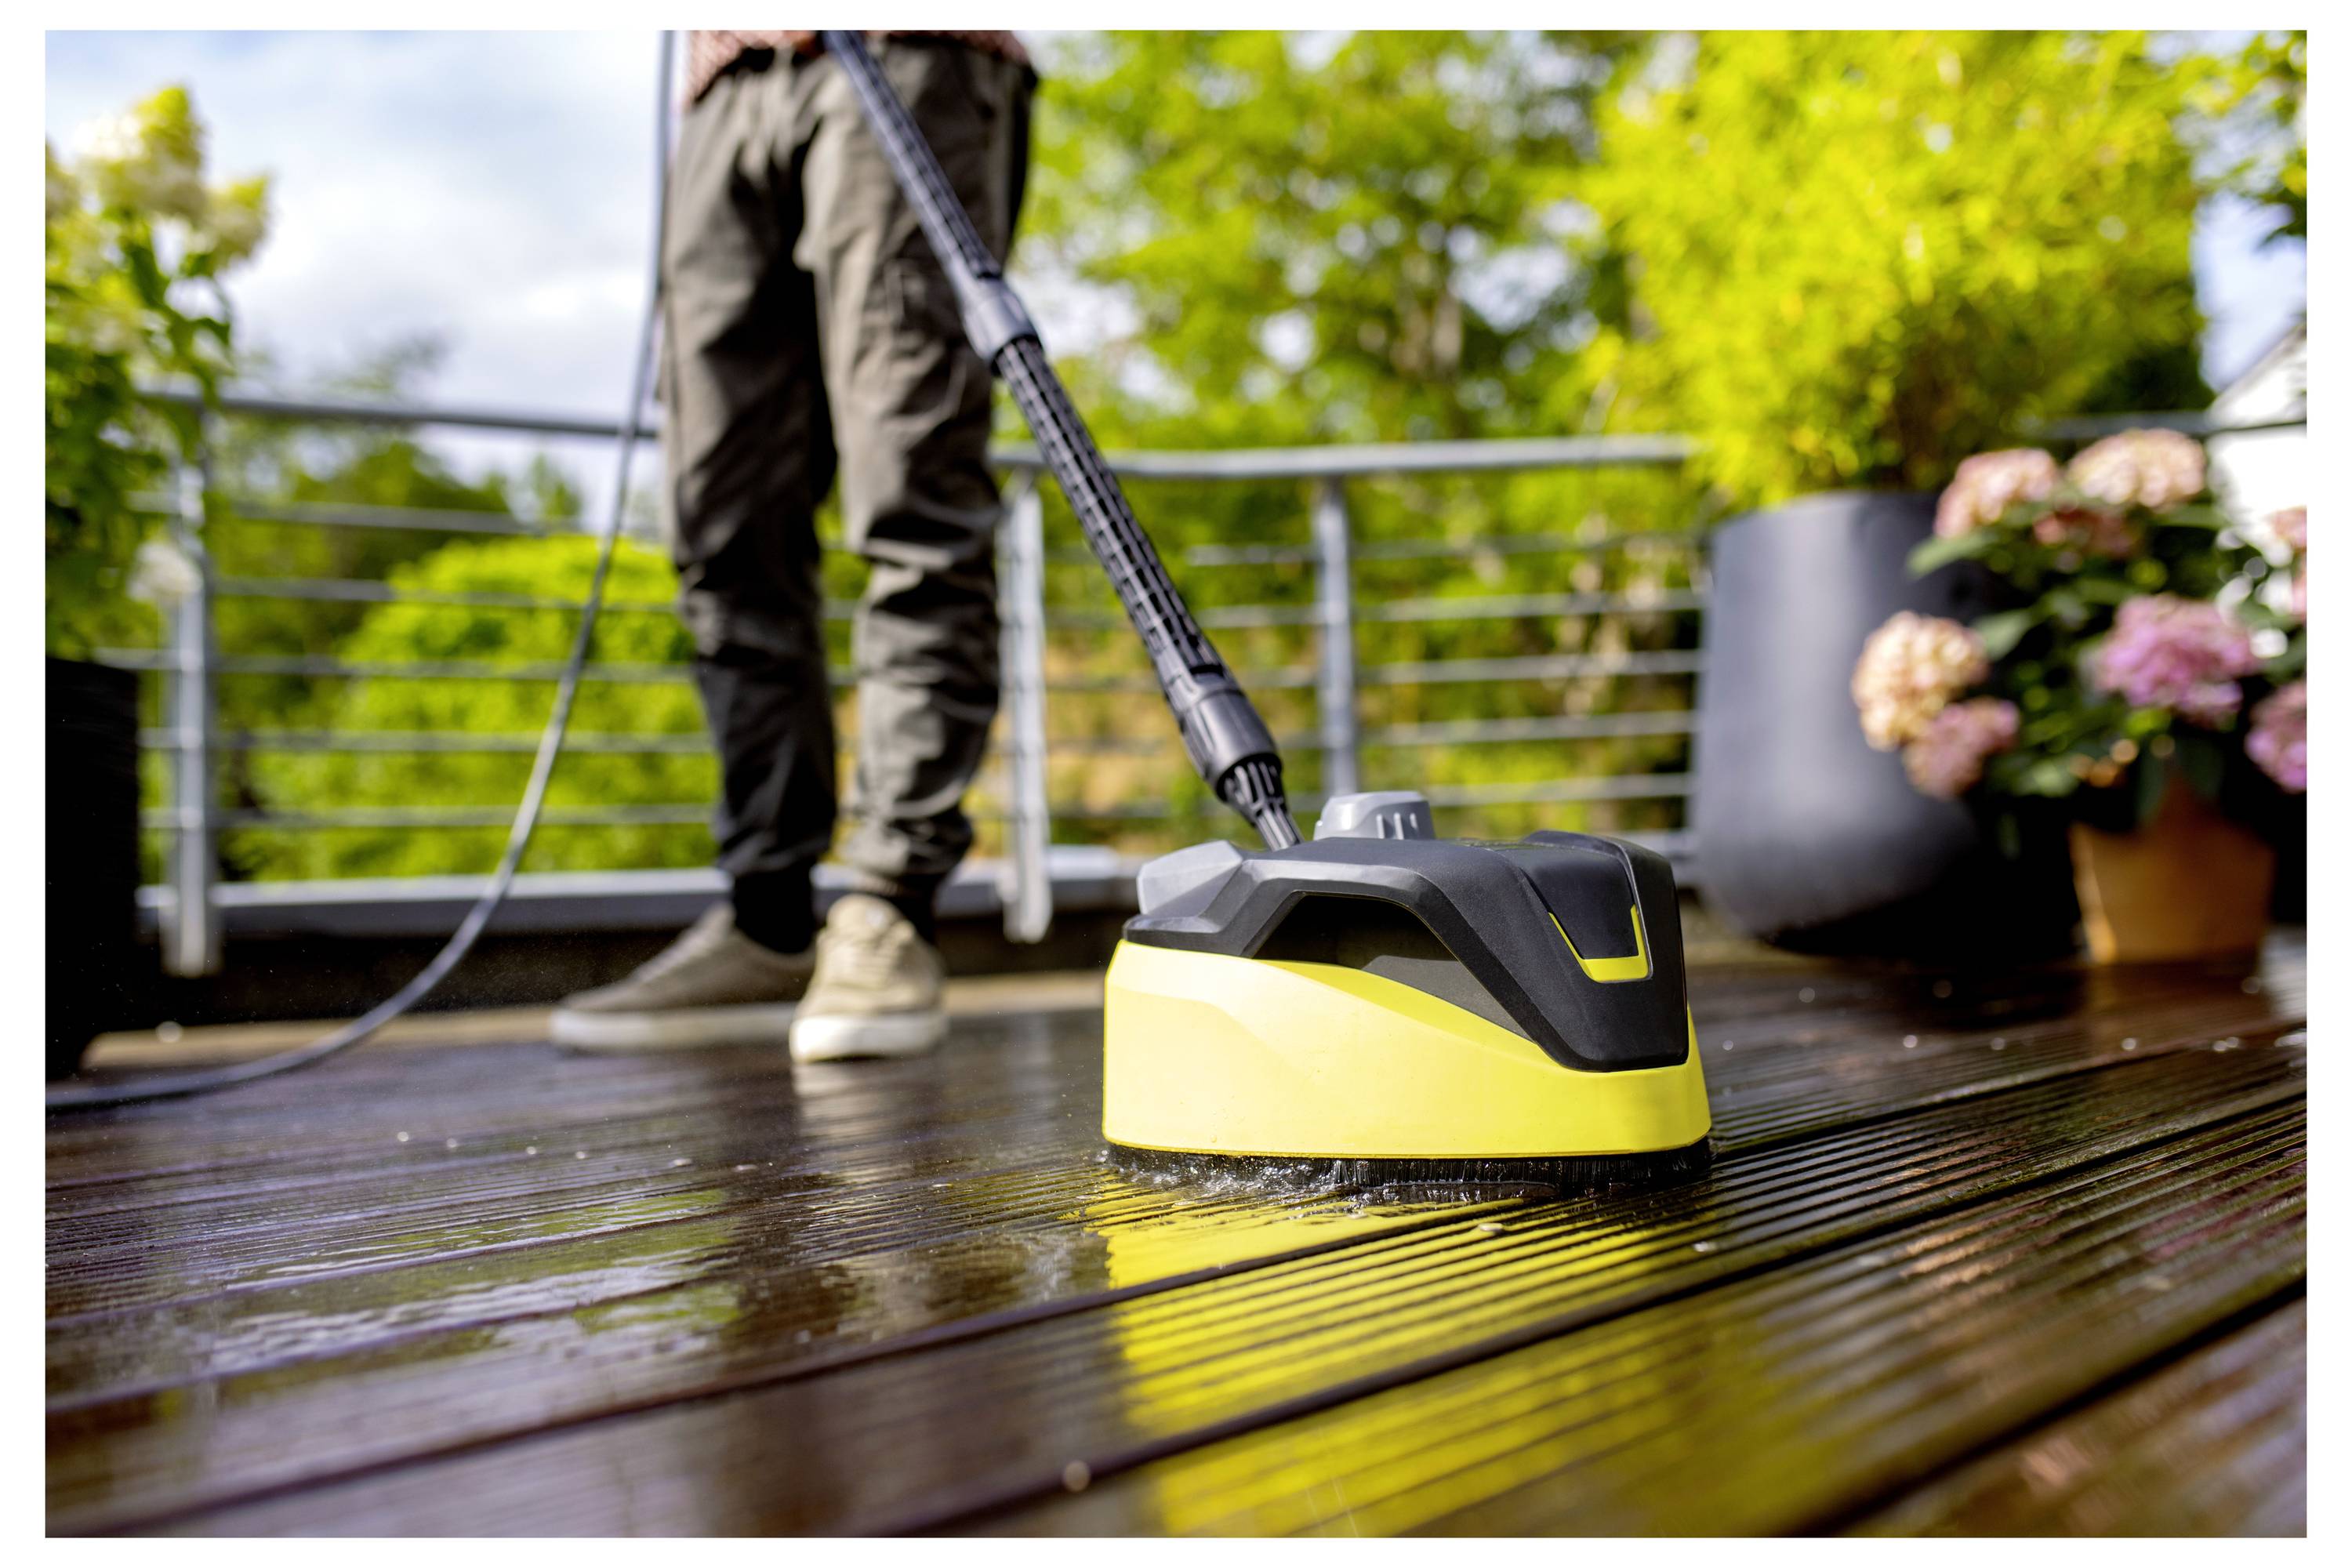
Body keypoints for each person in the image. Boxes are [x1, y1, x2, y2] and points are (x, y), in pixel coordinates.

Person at [551, 30, 1035, 1062]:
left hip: (907, 47)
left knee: (913, 492)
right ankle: (767, 920)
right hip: (721, 85)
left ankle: (887, 907)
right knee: (722, 528)